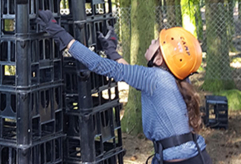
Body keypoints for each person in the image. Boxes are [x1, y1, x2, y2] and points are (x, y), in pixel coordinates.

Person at [37, 10, 212, 164]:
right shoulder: (175, 78)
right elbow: (128, 73)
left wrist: (60, 34)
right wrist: (111, 50)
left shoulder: (154, 78)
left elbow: (99, 65)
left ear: (159, 60)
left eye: (157, 42)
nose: (152, 40)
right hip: (195, 156)